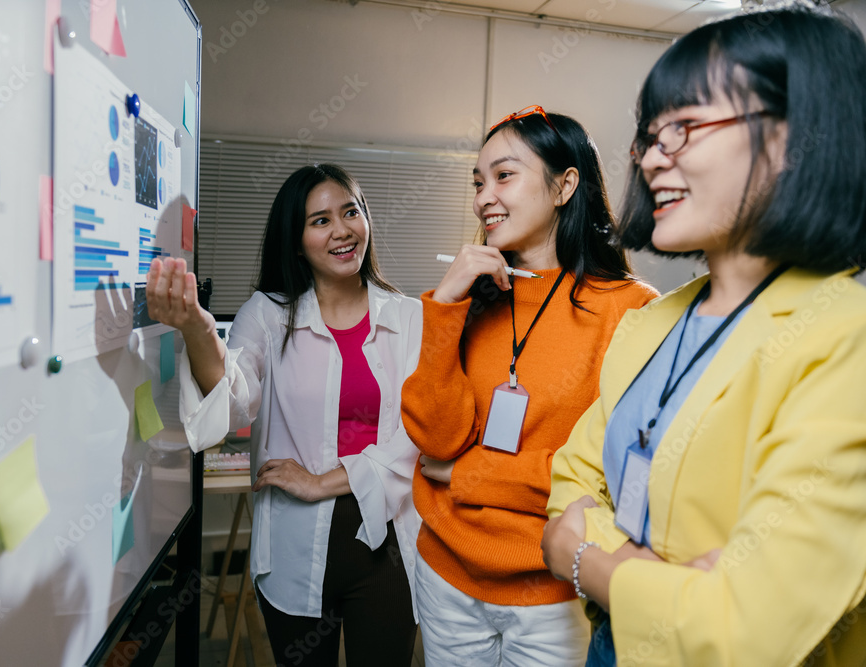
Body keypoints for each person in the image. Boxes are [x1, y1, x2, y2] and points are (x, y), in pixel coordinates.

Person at [542, 4, 866, 665]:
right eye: (650, 136)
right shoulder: (653, 320)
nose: (652, 160)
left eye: (684, 128)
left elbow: (745, 627)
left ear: (795, 137)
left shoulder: (844, 337)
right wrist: (645, 569)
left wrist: (588, 560)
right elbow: (571, 479)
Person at [400, 106, 658, 666]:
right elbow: (436, 442)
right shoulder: (473, 296)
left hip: (554, 590)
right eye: (478, 181)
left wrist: (471, 474)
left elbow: (615, 479)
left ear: (565, 185)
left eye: (504, 175)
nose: (483, 197)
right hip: (447, 574)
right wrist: (444, 307)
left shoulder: (632, 312)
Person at [146, 164, 422, 666]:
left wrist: (323, 481)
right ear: (296, 242)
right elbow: (232, 401)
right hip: (297, 544)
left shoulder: (409, 318)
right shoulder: (268, 315)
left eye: (350, 212)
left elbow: (418, 439)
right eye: (319, 221)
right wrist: (197, 330)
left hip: (389, 545)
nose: (341, 230)